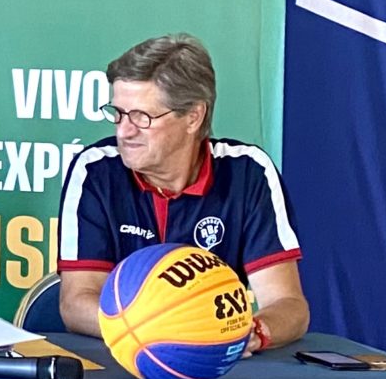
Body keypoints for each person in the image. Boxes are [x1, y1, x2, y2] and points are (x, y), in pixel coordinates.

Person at [55, 33, 309, 350]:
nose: (124, 131)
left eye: (142, 117)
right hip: (120, 362)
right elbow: (76, 303)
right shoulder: (95, 170)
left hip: (216, 368)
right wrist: (169, 334)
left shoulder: (248, 172)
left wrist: (252, 334)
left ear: (193, 117)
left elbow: (289, 304)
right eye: (118, 113)